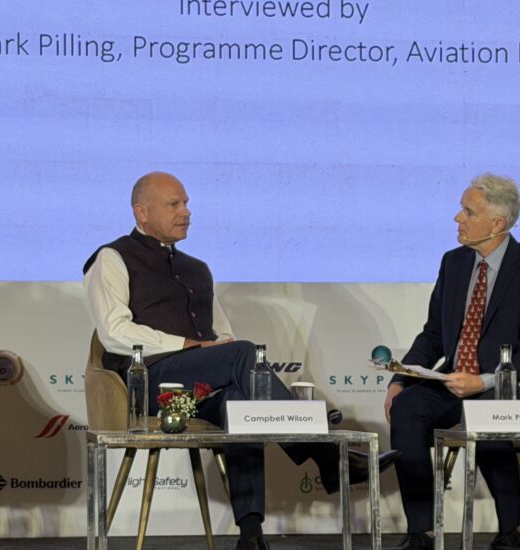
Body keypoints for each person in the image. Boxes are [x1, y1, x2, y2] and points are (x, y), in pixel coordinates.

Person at [83, 171, 397, 550]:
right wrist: (185, 344)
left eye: (186, 203)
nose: (186, 212)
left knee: (240, 404)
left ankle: (250, 534)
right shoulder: (112, 258)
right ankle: (323, 452)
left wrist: (218, 346)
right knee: (244, 354)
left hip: (196, 389)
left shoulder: (197, 269)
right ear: (141, 212)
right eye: (174, 204)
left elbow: (221, 335)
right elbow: (114, 330)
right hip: (149, 387)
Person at [385, 173, 520, 550]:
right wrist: (399, 379)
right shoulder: (453, 263)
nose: (457, 218)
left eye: (468, 212)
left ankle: (510, 529)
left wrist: (483, 380)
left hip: (502, 387)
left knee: (486, 410)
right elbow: (434, 334)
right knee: (407, 407)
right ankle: (422, 531)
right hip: (452, 382)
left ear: (496, 223)